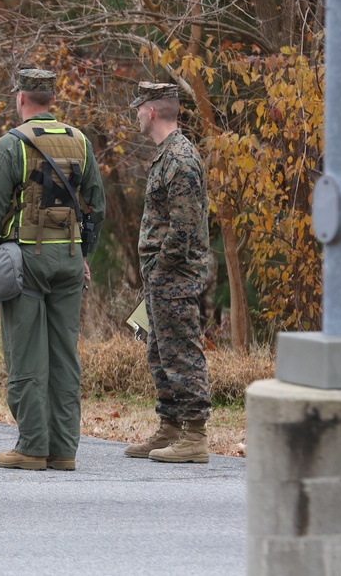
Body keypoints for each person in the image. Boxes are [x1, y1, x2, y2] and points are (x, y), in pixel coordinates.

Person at [0, 68, 105, 471]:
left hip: (28, 258)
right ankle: (64, 449)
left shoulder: (11, 145)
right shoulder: (80, 142)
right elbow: (96, 206)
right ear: (52, 98)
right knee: (65, 355)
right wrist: (83, 253)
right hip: (68, 259)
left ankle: (32, 446)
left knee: (26, 353)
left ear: (20, 99)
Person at [123, 81, 211, 464]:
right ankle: (171, 427)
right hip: (161, 279)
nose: (137, 115)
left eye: (139, 108)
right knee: (160, 353)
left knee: (181, 352)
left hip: (173, 277)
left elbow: (185, 227)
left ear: (153, 111)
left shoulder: (180, 159)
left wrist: (161, 270)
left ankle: (195, 435)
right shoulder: (166, 155)